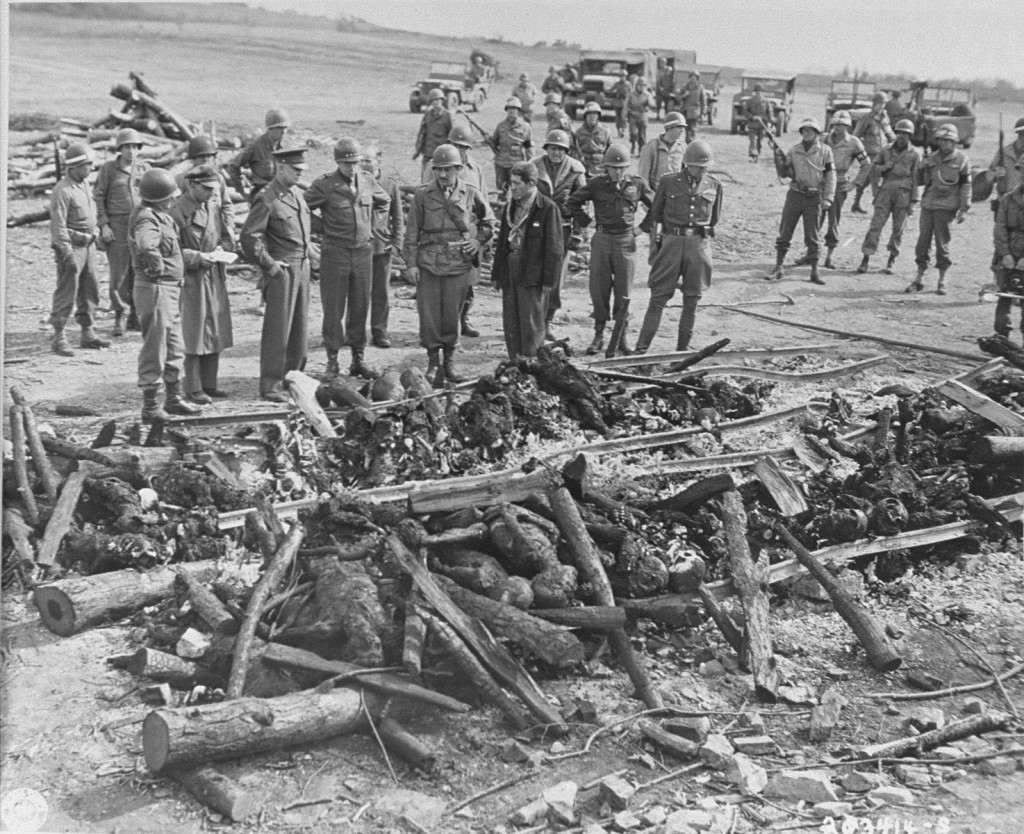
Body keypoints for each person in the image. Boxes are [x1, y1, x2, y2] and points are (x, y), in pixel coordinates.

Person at [404, 144, 496, 386]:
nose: (443, 175)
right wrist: (411, 265)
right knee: (430, 315)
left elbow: (489, 223)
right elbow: (412, 232)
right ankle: (433, 361)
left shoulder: (471, 193)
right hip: (429, 263)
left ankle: (450, 361)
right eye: (438, 170)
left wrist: (477, 242)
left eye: (448, 170)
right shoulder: (422, 195)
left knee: (452, 315)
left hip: (458, 264)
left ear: (459, 168)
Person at [304, 137, 390, 379]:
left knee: (360, 306)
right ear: (337, 162)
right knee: (333, 309)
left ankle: (357, 359)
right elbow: (302, 209)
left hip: (363, 253)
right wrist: (324, 227)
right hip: (335, 254)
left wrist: (372, 225)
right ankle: (332, 360)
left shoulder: (368, 180)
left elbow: (385, 201)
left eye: (355, 162)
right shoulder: (325, 185)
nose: (351, 168)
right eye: (346, 163)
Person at [566, 143, 654, 356]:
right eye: (614, 168)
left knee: (624, 290)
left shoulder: (637, 184)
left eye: (622, 167)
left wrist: (641, 229)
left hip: (626, 241)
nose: (618, 171)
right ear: (606, 167)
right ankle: (598, 335)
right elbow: (572, 202)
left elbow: (656, 206)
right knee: (599, 288)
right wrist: (588, 223)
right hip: (603, 239)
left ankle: (621, 335)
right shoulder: (597, 184)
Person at [240, 147, 313, 402]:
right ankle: (270, 384)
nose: (298, 174)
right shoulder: (267, 198)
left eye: (301, 171)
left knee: (299, 328)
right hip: (282, 269)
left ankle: (293, 378)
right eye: (295, 170)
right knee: (278, 330)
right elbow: (249, 238)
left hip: (301, 267)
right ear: (281, 168)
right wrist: (270, 266)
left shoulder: (295, 195)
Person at [636, 140, 722, 354]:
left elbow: (715, 217)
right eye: (697, 166)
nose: (702, 170)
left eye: (705, 166)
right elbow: (655, 213)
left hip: (698, 247)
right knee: (658, 296)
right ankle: (641, 350)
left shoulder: (715, 185)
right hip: (671, 243)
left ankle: (681, 353)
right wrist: (655, 245)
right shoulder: (669, 182)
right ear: (687, 164)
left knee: (692, 299)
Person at [128, 168, 201, 421]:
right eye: (170, 196)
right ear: (159, 198)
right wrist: (157, 266)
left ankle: (173, 398)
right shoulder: (147, 219)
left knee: (174, 347)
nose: (173, 199)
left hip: (169, 289)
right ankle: (150, 407)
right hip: (156, 289)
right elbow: (146, 244)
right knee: (155, 348)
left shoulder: (162, 216)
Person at [170, 166, 235, 403]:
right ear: (191, 185)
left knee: (214, 328)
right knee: (193, 331)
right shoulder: (176, 211)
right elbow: (171, 251)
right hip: (190, 278)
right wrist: (198, 258)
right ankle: (193, 386)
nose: (210, 193)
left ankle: (210, 383)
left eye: (213, 189)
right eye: (206, 188)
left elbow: (227, 236)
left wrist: (223, 249)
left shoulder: (212, 206)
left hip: (213, 274)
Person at [492, 161, 564, 359]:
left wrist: (549, 281)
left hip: (532, 272)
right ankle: (515, 361)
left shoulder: (547, 208)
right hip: (511, 267)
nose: (512, 187)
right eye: (511, 182)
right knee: (511, 319)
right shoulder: (510, 206)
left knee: (531, 321)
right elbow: (501, 244)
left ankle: (531, 362)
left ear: (531, 184)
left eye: (517, 183)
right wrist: (497, 274)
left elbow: (555, 248)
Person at [49, 143, 109, 357]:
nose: (90, 168)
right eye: (86, 164)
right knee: (67, 291)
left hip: (89, 245)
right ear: (73, 167)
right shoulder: (62, 190)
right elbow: (58, 226)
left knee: (90, 289)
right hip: (73, 247)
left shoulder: (84, 185)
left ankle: (87, 332)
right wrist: (66, 253)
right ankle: (59, 337)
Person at [532, 129, 586, 341]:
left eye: (561, 149)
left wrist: (579, 233)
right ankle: (534, 319)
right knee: (534, 274)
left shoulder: (575, 170)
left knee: (555, 277)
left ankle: (548, 320)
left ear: (567, 151)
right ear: (547, 149)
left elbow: (582, 203)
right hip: (536, 229)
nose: (556, 153)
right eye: (553, 148)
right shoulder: (534, 166)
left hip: (562, 229)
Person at [767, 118, 836, 285]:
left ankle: (814, 271)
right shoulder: (794, 150)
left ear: (817, 133)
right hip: (795, 195)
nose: (806, 133)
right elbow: (785, 174)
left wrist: (828, 197)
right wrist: (779, 159)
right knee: (785, 230)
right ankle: (779, 267)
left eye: (810, 130)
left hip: (814, 197)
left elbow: (830, 176)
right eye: (804, 130)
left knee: (812, 235)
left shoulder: (825, 151)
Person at [94, 128, 147, 336]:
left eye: (135, 147)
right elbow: (98, 197)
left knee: (139, 271)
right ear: (120, 148)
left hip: (139, 226)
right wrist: (104, 225)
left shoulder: (143, 169)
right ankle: (119, 316)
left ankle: (135, 315)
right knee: (119, 275)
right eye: (127, 147)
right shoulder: (109, 169)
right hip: (116, 226)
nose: (131, 151)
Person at [909, 124, 971, 295]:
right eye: (941, 140)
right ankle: (920, 277)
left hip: (946, 207)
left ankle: (942, 279)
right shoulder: (932, 158)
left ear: (954, 142)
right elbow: (920, 181)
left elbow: (966, 185)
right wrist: (922, 167)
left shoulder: (961, 159)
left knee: (942, 244)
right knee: (922, 243)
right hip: (929, 205)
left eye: (947, 140)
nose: (943, 143)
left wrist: (964, 208)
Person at [855, 119, 921, 275]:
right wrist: (885, 168)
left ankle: (891, 260)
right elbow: (874, 168)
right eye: (898, 132)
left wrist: (913, 202)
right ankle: (866, 258)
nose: (901, 136)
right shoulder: (886, 150)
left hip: (904, 192)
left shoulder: (915, 154)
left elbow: (916, 178)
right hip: (886, 189)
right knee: (875, 226)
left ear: (910, 135)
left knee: (898, 229)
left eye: (905, 133)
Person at [359, 145, 404, 349]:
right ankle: (357, 333)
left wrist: (396, 242)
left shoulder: (389, 183)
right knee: (359, 291)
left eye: (368, 160)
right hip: (360, 246)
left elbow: (398, 216)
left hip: (382, 246)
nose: (364, 165)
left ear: (379, 162)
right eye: (361, 161)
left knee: (381, 293)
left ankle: (380, 331)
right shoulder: (356, 181)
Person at [448, 124, 488, 337]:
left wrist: (484, 237)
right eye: (455, 145)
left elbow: (484, 205)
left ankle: (463, 319)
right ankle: (447, 323)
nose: (459, 150)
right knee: (447, 280)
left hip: (470, 232)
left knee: (470, 280)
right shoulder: (437, 166)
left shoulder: (476, 170)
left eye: (463, 147)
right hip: (446, 232)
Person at [818, 111, 869, 269]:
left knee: (833, 219)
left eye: (843, 125)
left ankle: (829, 256)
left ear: (848, 126)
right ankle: (810, 253)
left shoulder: (854, 143)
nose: (839, 128)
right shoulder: (823, 139)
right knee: (815, 219)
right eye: (836, 125)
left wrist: (855, 184)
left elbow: (867, 164)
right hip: (821, 182)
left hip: (839, 184)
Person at [225, 107, 290, 202]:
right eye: (280, 127)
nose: (283, 131)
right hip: (262, 195)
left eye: (286, 127)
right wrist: (241, 191)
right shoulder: (255, 146)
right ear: (270, 128)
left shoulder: (286, 146)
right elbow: (233, 167)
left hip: (282, 193)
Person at [993, 154, 1024, 338]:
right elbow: (1000, 228)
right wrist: (1005, 254)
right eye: (1022, 171)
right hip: (1009, 253)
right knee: (1004, 295)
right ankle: (1001, 336)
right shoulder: (1007, 199)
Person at [850, 92, 895, 213]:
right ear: (874, 104)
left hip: (883, 153)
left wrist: (895, 142)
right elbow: (856, 135)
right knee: (876, 180)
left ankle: (855, 204)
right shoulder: (866, 118)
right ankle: (878, 208)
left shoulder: (885, 118)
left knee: (866, 180)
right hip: (870, 154)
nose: (882, 106)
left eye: (884, 104)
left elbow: (889, 133)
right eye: (880, 103)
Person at [489, 98, 532, 193]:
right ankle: (501, 206)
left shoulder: (525, 126)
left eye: (514, 108)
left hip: (516, 165)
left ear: (518, 110)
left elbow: (528, 146)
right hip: (501, 163)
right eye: (509, 108)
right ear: (506, 110)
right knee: (501, 189)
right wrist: (488, 140)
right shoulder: (500, 126)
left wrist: (530, 164)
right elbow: (494, 143)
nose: (512, 110)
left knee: (517, 189)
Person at [637, 111, 687, 192]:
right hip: (656, 192)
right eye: (679, 127)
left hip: (676, 193)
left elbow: (686, 173)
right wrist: (649, 195)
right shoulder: (651, 147)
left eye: (683, 128)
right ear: (669, 128)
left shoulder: (683, 147)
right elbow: (643, 176)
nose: (682, 131)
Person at [413, 88, 453, 184]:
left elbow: (452, 138)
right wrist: (418, 150)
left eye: (438, 100)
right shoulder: (427, 115)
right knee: (425, 182)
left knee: (440, 182)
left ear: (442, 101)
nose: (435, 102)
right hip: (427, 154)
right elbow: (422, 133)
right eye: (433, 100)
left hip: (441, 157)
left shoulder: (448, 116)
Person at [574, 101, 613, 178]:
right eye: (589, 113)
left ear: (598, 116)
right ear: (585, 115)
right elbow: (574, 151)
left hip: (601, 168)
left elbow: (611, 150)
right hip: (583, 168)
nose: (592, 116)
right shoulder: (578, 132)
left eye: (595, 113)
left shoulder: (605, 131)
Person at [743, 83, 774, 162]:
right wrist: (752, 117)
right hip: (752, 125)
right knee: (753, 141)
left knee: (759, 142)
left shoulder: (766, 102)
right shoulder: (750, 101)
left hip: (762, 126)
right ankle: (753, 156)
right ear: (754, 92)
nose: (758, 93)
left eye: (760, 91)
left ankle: (756, 155)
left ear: (762, 92)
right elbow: (745, 112)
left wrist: (770, 122)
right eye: (756, 91)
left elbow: (770, 112)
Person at [625, 78, 655, 156]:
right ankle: (633, 145)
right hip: (633, 115)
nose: (641, 87)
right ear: (636, 85)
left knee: (642, 135)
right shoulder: (631, 94)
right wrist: (624, 115)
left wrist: (648, 104)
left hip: (642, 115)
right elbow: (626, 104)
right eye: (640, 85)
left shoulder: (647, 94)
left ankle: (640, 150)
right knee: (633, 133)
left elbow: (652, 104)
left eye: (643, 85)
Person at [679, 72, 706, 142]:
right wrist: (684, 95)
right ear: (689, 77)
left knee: (693, 129)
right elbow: (678, 98)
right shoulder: (685, 86)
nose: (693, 78)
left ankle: (691, 143)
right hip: (685, 110)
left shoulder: (700, 87)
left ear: (697, 78)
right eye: (692, 76)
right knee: (686, 129)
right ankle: (687, 142)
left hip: (695, 111)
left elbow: (703, 101)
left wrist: (703, 113)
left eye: (695, 77)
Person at [611, 69, 630, 138]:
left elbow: (631, 93)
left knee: (623, 118)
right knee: (617, 118)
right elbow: (611, 91)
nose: (622, 77)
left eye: (624, 76)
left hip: (625, 103)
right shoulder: (617, 84)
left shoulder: (628, 84)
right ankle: (619, 131)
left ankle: (623, 131)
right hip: (617, 103)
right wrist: (615, 93)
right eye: (621, 76)